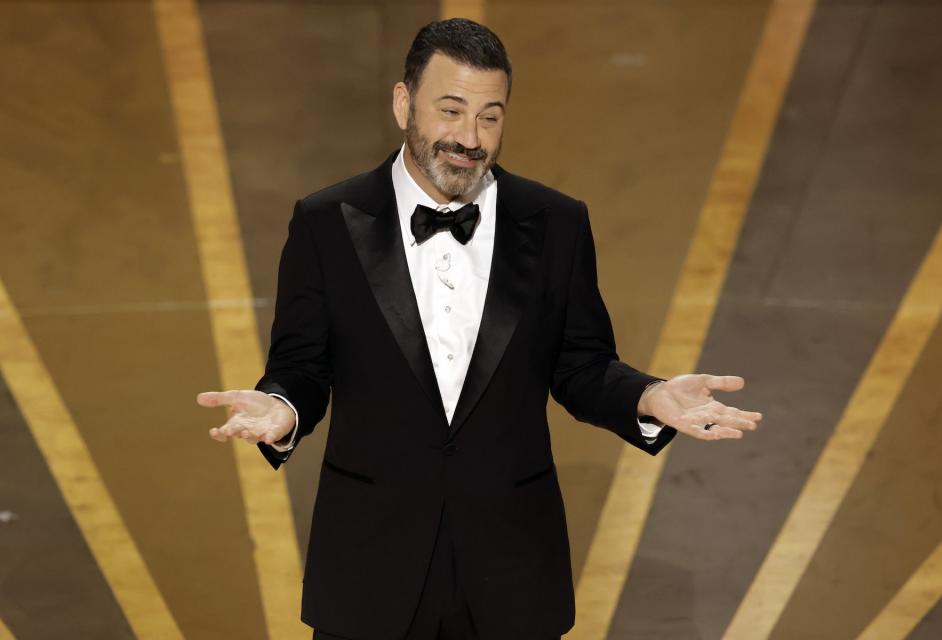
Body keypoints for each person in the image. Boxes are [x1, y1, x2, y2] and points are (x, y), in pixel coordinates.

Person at [197, 18, 762, 640]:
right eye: (451, 110)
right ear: (403, 103)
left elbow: (581, 364)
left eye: (490, 116)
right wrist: (282, 408)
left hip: (512, 570)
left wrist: (648, 396)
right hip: (371, 570)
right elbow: (303, 367)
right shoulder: (325, 223)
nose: (470, 137)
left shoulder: (556, 224)